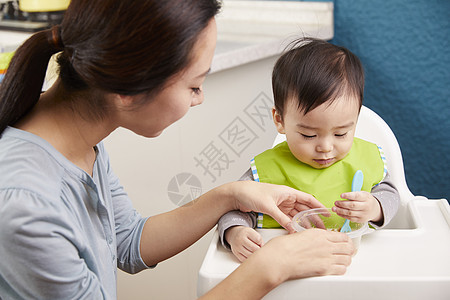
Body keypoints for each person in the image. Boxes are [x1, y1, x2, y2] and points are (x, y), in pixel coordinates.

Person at [0, 1, 355, 299]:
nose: (200, 98)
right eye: (194, 85)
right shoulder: (27, 205)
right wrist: (270, 267)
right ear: (128, 91)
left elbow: (127, 241)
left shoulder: (72, 131)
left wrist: (231, 195)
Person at [218, 38, 400, 262]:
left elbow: (392, 195)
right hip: (285, 266)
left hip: (353, 262)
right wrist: (235, 232)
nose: (325, 147)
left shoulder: (366, 159)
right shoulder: (267, 172)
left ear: (355, 119)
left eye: (341, 133)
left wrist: (375, 208)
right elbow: (233, 208)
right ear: (280, 120)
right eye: (309, 135)